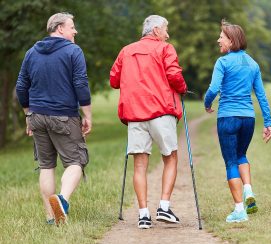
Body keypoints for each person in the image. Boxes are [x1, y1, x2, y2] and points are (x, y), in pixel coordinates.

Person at [110, 15, 187, 229]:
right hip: (161, 110)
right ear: (155, 30)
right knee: (170, 157)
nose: (167, 34)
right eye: (165, 29)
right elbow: (173, 75)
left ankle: (143, 215)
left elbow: (114, 80)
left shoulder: (126, 51)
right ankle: (163, 207)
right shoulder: (165, 48)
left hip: (135, 115)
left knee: (139, 165)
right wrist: (182, 88)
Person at [16, 12, 92, 225]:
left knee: (46, 166)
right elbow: (81, 84)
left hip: (37, 116)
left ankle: (52, 218)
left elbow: (21, 86)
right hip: (63, 116)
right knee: (76, 161)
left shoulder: (32, 52)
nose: (75, 30)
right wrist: (87, 115)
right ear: (60, 28)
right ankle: (62, 200)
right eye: (72, 27)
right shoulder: (73, 51)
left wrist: (28, 114)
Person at [204, 20, 271, 223]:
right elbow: (261, 95)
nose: (219, 40)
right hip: (248, 119)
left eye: (222, 37)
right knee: (242, 154)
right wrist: (267, 122)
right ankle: (248, 190)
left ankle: (239, 210)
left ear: (232, 40)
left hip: (228, 117)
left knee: (231, 161)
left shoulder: (222, 62)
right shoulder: (253, 64)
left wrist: (207, 104)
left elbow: (213, 89)